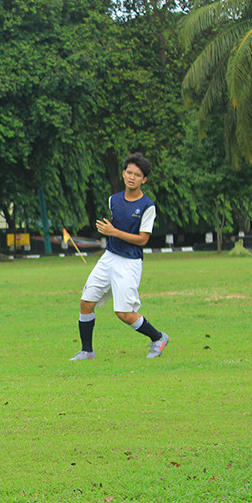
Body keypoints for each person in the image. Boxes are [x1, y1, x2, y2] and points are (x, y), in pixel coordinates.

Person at [70, 152, 169, 361]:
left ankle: (158, 338)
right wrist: (111, 233)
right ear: (123, 174)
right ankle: (87, 351)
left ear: (144, 180)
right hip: (108, 258)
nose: (132, 177)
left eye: (138, 175)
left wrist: (113, 232)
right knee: (86, 302)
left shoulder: (147, 206)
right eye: (129, 172)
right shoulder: (113, 200)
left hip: (130, 263)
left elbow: (143, 240)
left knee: (124, 314)